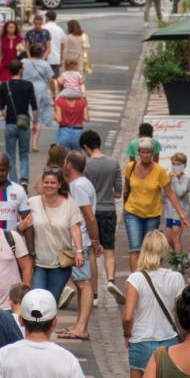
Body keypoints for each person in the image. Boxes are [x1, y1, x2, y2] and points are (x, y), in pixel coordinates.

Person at [123, 231, 185, 378]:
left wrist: (127, 335)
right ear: (164, 252)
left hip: (141, 341)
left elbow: (128, 316)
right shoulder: (176, 278)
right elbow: (181, 313)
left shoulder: (135, 279)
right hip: (169, 342)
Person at [123, 141, 188, 273]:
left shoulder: (159, 170)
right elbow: (126, 189)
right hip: (133, 212)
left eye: (148, 153)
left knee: (149, 248)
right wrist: (125, 207)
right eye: (143, 152)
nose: (145, 155)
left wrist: (181, 214)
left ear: (152, 154)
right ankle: (134, 280)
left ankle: (147, 278)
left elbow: (171, 194)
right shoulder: (130, 167)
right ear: (139, 154)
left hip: (152, 215)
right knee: (135, 247)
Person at [57, 151, 100, 339]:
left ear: (70, 165)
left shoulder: (79, 186)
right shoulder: (78, 184)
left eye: (65, 161)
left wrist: (95, 239)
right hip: (79, 241)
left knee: (83, 284)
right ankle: (78, 325)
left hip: (79, 241)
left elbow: (89, 216)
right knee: (80, 284)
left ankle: (81, 327)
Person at [27, 168, 85, 301]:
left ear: (59, 184)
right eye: (46, 182)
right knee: (37, 298)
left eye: (53, 183)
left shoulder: (69, 204)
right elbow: (24, 227)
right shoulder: (32, 202)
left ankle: (49, 322)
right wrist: (21, 227)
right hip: (39, 262)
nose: (49, 186)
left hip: (60, 263)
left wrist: (79, 251)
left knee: (51, 301)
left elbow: (74, 227)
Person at [80, 130, 125, 303]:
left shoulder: (85, 165)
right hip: (108, 210)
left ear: (85, 146)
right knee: (109, 250)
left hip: (90, 211)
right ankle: (111, 280)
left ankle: (95, 295)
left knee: (91, 252)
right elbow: (118, 192)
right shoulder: (113, 163)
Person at [0, 59, 38, 185]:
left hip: (10, 123)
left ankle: (14, 180)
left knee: (10, 154)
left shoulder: (4, 85)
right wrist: (36, 121)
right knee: (24, 153)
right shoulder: (28, 85)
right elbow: (34, 105)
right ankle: (24, 179)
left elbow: (2, 107)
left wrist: (6, 117)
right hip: (24, 122)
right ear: (21, 70)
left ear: (10, 71)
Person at [22, 42, 56, 153]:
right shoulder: (45, 64)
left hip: (26, 88)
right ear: (42, 53)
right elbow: (51, 79)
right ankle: (35, 143)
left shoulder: (24, 62)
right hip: (41, 90)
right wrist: (53, 92)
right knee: (38, 117)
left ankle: (24, 141)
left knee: (26, 115)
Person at [164, 153, 190, 254]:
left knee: (176, 239)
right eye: (173, 164)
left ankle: (179, 264)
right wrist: (168, 180)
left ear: (184, 165)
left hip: (179, 214)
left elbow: (180, 193)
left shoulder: (186, 178)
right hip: (169, 212)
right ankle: (181, 259)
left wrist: (175, 179)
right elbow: (164, 194)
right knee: (169, 240)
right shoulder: (170, 177)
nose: (175, 166)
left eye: (178, 164)